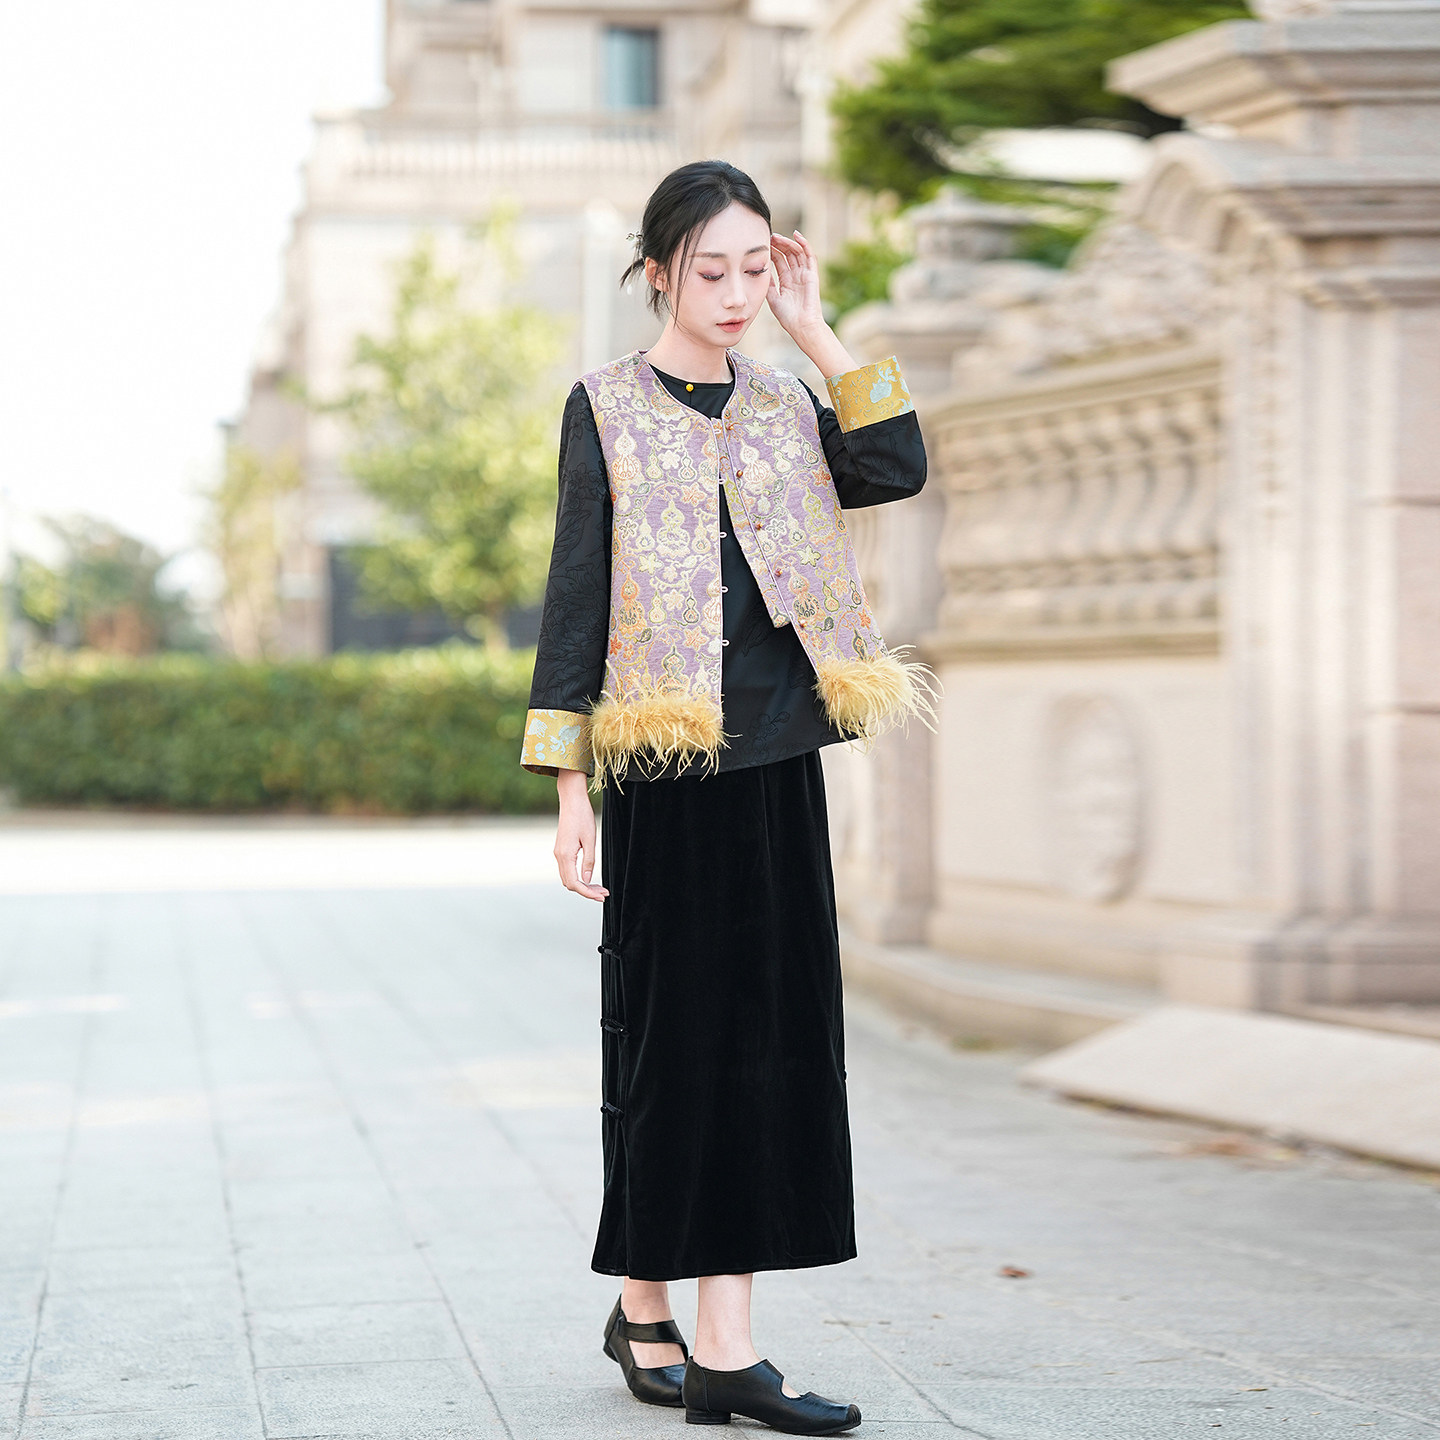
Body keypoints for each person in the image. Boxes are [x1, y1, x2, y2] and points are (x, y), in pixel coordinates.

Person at [520, 159, 929, 1436]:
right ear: (658, 274)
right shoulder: (605, 407)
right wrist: (571, 788)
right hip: (663, 770)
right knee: (674, 1046)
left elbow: (896, 464)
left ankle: (675, 1323)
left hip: (778, 760)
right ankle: (710, 1348)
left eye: (758, 268)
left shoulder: (787, 400)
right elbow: (575, 599)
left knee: (769, 1045)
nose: (738, 291)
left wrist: (818, 329)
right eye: (713, 271)